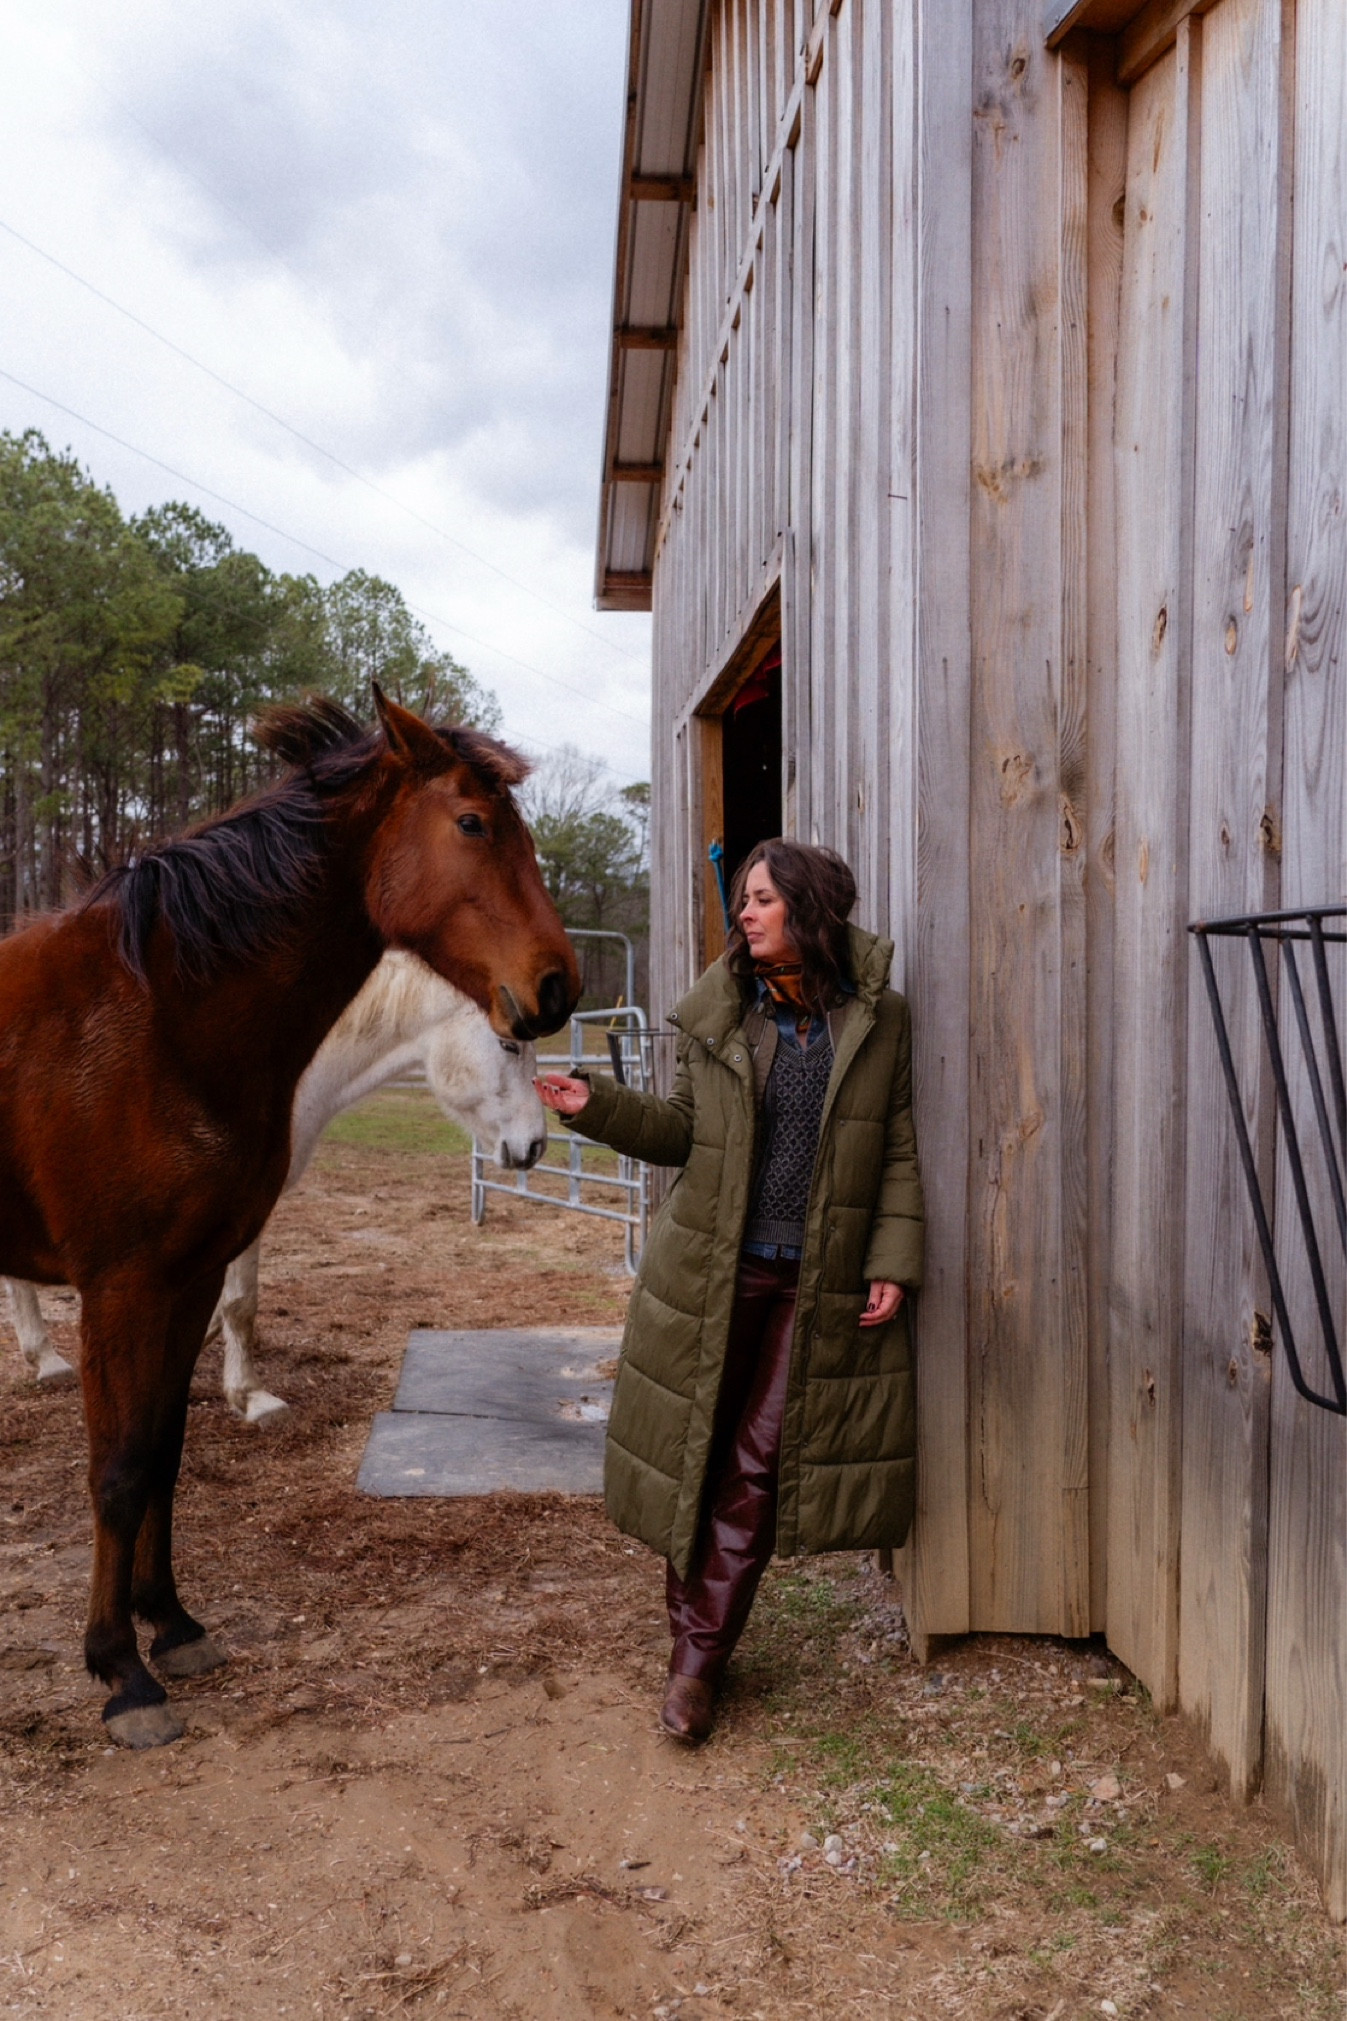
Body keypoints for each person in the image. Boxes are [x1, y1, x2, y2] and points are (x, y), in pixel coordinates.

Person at [536, 838, 923, 1742]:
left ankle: (696, 1667)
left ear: (808, 907)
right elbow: (679, 1134)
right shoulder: (724, 1015)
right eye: (742, 899)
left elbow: (896, 1143)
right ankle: (695, 1648)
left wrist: (891, 1258)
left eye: (761, 899)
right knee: (701, 1454)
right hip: (715, 1267)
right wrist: (596, 1107)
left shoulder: (876, 1018)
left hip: (813, 1282)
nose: (744, 913)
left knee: (755, 1467)